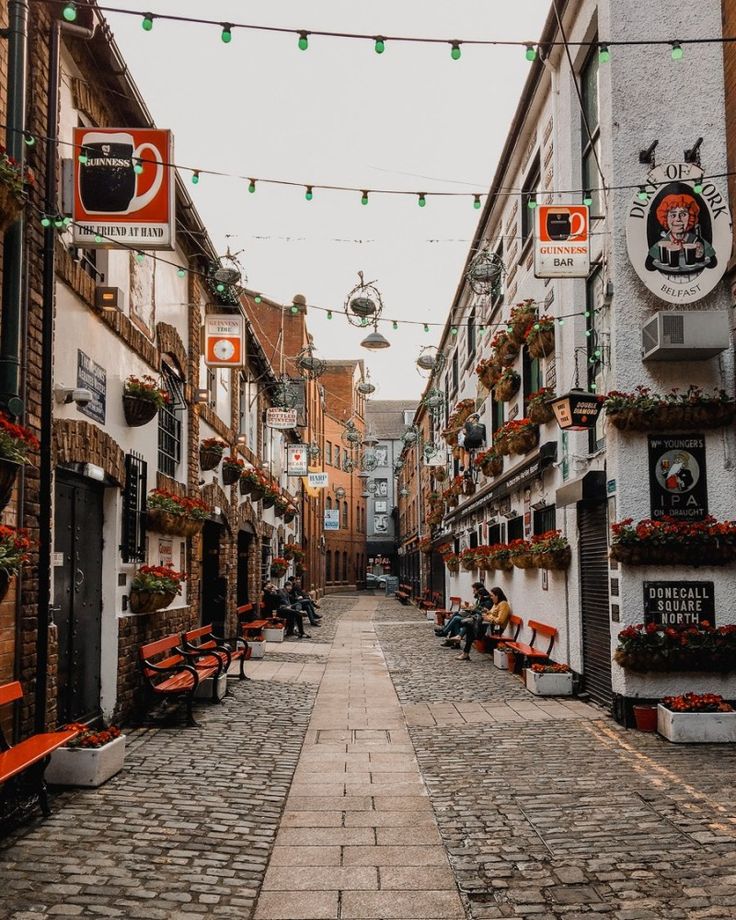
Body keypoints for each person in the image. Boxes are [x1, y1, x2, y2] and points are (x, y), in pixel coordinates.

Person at [456, 586, 511, 662]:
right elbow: (491, 613)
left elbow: (500, 620)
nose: (490, 597)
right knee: (469, 627)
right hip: (487, 626)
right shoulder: (496, 604)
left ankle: (462, 641)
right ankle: (464, 648)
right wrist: (486, 612)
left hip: (495, 629)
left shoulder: (503, 604)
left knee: (469, 626)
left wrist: (488, 618)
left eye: (492, 595)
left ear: (497, 595)